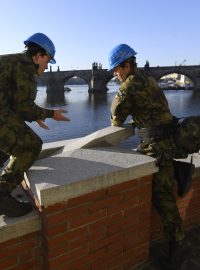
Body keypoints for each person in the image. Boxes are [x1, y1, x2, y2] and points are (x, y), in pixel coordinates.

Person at [108, 44, 191, 269]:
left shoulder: (129, 85)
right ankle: (178, 171)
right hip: (167, 140)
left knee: (162, 197)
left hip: (157, 146)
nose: (115, 74)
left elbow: (116, 119)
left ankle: (179, 243)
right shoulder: (148, 77)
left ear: (126, 65)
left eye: (116, 69)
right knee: (162, 189)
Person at [0, 33, 70, 217]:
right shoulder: (25, 66)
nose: (47, 67)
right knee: (30, 145)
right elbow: (23, 107)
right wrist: (51, 114)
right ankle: (1, 194)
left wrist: (34, 115)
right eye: (47, 61)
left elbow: (16, 104)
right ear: (38, 56)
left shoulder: (12, 61)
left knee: (6, 145)